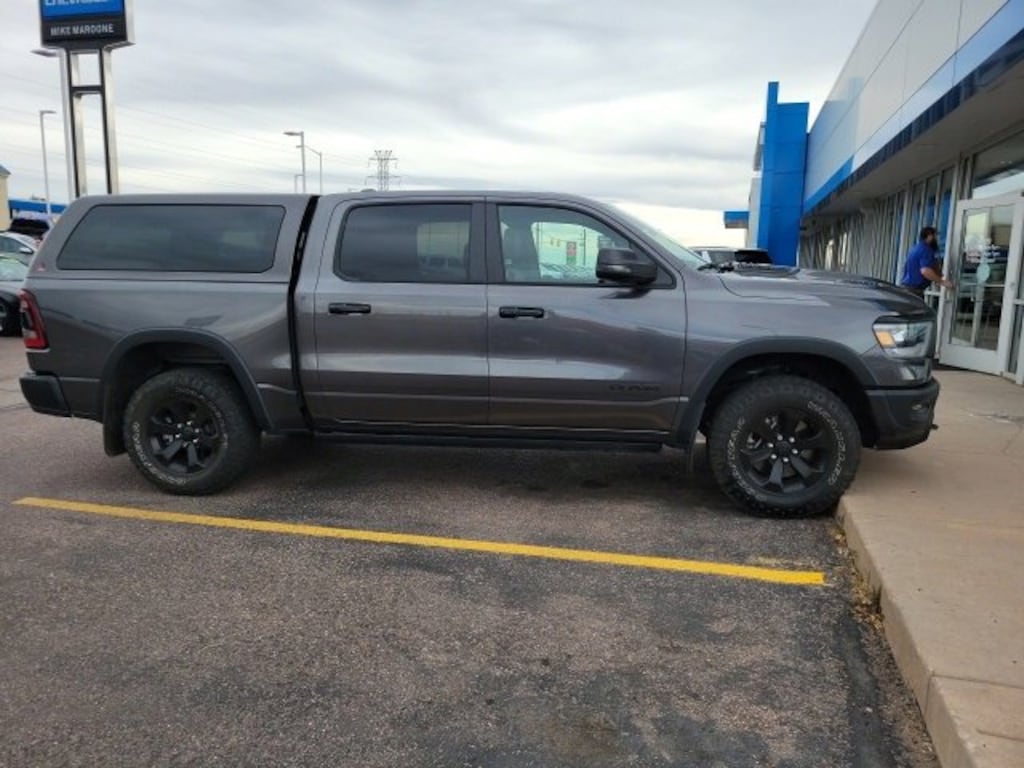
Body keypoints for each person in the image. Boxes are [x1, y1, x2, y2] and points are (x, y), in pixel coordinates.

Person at [900, 226, 953, 298]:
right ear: (930, 236)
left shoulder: (914, 248)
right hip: (914, 291)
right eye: (935, 236)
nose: (937, 240)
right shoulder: (926, 250)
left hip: (906, 288)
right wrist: (942, 282)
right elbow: (926, 271)